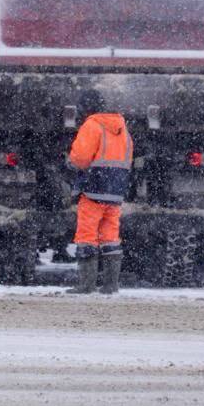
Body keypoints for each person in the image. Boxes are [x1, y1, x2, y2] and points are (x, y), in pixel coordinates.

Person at [65, 90, 133, 294]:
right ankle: (111, 285)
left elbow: (81, 158)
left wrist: (70, 164)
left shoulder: (92, 125)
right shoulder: (122, 128)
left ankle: (86, 285)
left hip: (93, 188)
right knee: (110, 236)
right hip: (116, 190)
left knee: (87, 234)